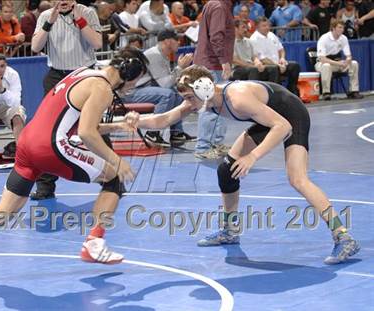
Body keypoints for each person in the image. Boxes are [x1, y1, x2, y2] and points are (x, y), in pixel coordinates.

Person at [0, 47, 149, 282]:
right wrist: (116, 161)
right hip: (50, 147)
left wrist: (116, 127)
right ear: (129, 73)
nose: (132, 87)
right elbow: (86, 133)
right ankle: (94, 242)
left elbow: (72, 122)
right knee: (114, 178)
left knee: (3, 211)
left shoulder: (83, 73)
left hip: (28, 143)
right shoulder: (102, 88)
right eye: (135, 81)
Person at [135, 64, 360, 265]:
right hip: (268, 118)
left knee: (298, 180)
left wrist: (252, 157)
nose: (187, 104)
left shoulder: (237, 98)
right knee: (226, 170)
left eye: (188, 97)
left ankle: (344, 237)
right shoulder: (202, 99)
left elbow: (283, 126)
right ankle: (230, 230)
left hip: (290, 116)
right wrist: (135, 120)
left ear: (203, 89)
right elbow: (164, 119)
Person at [31, 0, 103, 200]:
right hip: (57, 76)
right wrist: (49, 23)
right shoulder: (45, 16)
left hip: (84, 74)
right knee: (48, 132)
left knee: (94, 128)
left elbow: (97, 43)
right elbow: (36, 47)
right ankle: (45, 186)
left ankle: (114, 180)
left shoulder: (87, 12)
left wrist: (79, 20)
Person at [123, 29, 195, 147]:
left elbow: (169, 82)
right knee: (167, 94)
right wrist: (180, 68)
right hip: (131, 92)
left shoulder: (163, 55)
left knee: (178, 93)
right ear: (167, 41)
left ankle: (176, 133)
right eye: (176, 40)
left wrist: (180, 71)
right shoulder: (154, 54)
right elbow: (165, 84)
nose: (179, 42)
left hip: (144, 89)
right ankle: (153, 132)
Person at [193, 0, 235, 160]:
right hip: (212, 64)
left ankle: (216, 143)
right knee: (210, 106)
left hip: (212, 63)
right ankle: (203, 147)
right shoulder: (218, 6)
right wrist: (224, 61)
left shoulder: (216, 4)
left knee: (220, 104)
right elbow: (216, 37)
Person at [250, 16, 301, 96]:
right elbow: (262, 59)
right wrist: (278, 65)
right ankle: (276, 94)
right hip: (267, 66)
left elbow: (281, 49)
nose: (267, 27)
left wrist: (282, 58)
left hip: (278, 64)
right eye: (264, 26)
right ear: (257, 27)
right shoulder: (254, 39)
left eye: (268, 25)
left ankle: (291, 90)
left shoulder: (271, 35)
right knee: (274, 69)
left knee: (294, 66)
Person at [315, 19, 363, 100]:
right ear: (333, 28)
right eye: (339, 27)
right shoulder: (324, 38)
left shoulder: (344, 38)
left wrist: (347, 61)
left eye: (343, 28)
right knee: (326, 66)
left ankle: (354, 91)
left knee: (354, 63)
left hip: (338, 63)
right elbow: (322, 59)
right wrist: (340, 64)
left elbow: (348, 55)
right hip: (322, 63)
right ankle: (326, 93)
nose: (342, 30)